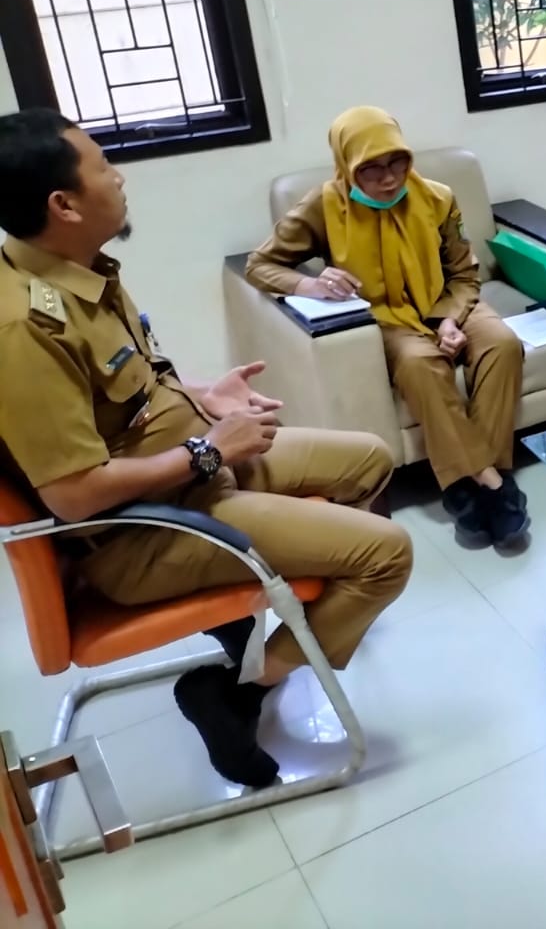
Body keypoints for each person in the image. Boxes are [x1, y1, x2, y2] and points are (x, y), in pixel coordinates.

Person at [0, 108, 413, 789]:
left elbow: (123, 391)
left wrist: (202, 397)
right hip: (142, 530)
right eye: (103, 166)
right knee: (386, 555)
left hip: (192, 472)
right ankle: (238, 691)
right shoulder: (23, 327)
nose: (119, 176)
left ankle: (284, 627)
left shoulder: (77, 268)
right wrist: (207, 451)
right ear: (63, 203)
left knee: (370, 457)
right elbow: (72, 493)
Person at [246, 105, 530, 555]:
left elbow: (463, 272)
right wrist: (310, 283)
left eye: (397, 161)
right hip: (384, 317)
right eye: (371, 168)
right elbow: (260, 264)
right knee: (421, 364)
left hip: (446, 301)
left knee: (503, 343)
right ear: (346, 167)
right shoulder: (324, 206)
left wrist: (451, 319)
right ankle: (492, 482)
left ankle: (465, 485)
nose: (389, 178)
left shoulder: (437, 196)